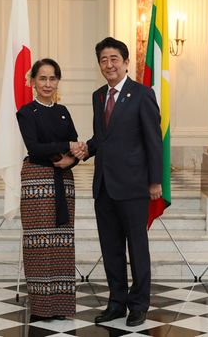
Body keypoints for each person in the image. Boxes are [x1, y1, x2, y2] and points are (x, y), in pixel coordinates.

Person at [75, 37, 163, 327]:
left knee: (137, 247)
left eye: (114, 58)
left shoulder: (142, 94)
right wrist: (84, 150)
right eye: (103, 59)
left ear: (126, 62)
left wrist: (155, 181)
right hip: (104, 186)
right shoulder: (98, 96)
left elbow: (153, 140)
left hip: (134, 186)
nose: (109, 64)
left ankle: (139, 304)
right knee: (110, 248)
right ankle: (116, 302)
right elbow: (102, 138)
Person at [16, 58, 82, 321]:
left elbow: (76, 144)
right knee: (39, 244)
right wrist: (63, 151)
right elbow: (34, 147)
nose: (47, 83)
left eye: (52, 78)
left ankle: (62, 307)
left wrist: (73, 158)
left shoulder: (63, 110)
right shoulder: (26, 112)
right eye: (42, 78)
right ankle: (43, 307)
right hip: (36, 184)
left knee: (62, 243)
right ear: (33, 82)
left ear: (58, 81)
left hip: (63, 184)